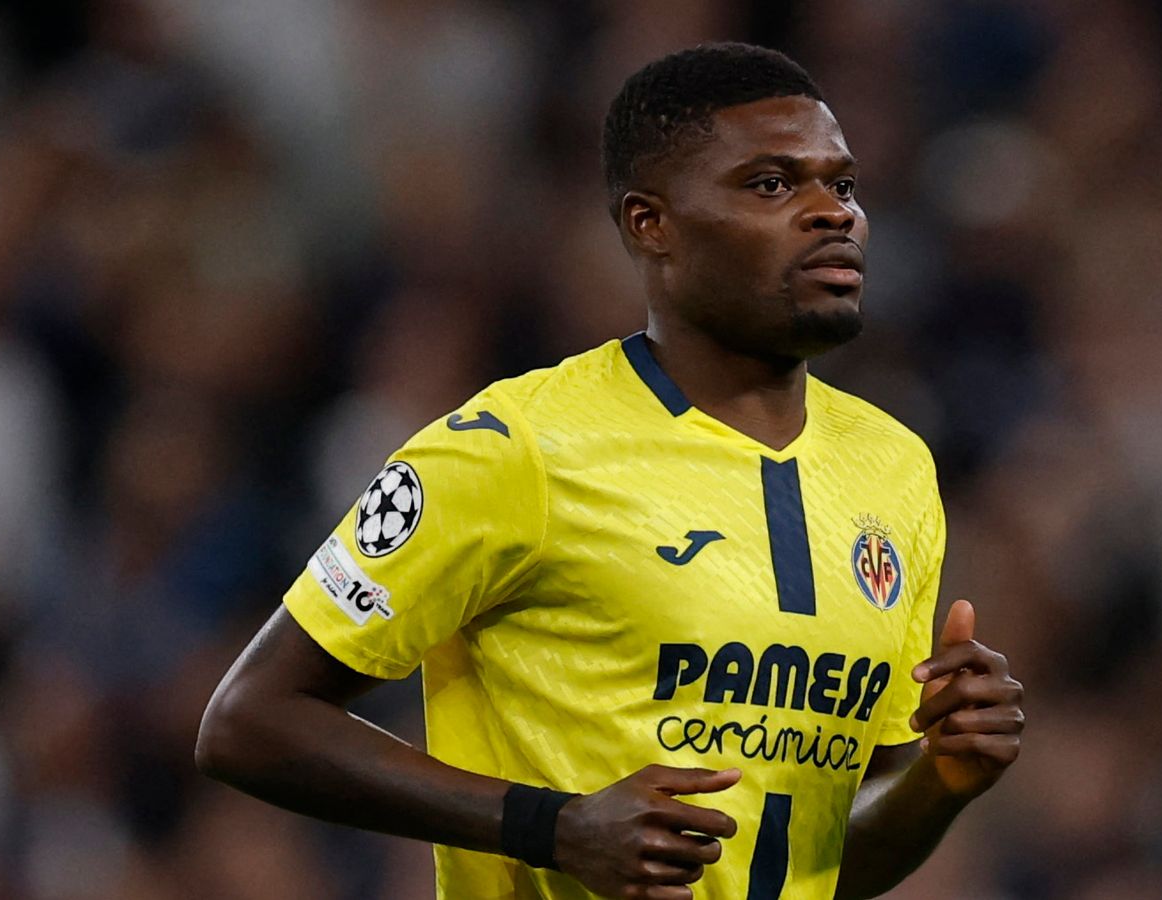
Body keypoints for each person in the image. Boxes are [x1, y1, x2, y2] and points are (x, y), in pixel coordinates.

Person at [196, 42, 1024, 900]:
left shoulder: (894, 467)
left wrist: (943, 778)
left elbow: (828, 859)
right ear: (649, 223)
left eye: (842, 186)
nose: (832, 214)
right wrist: (552, 827)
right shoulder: (515, 448)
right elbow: (248, 723)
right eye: (773, 184)